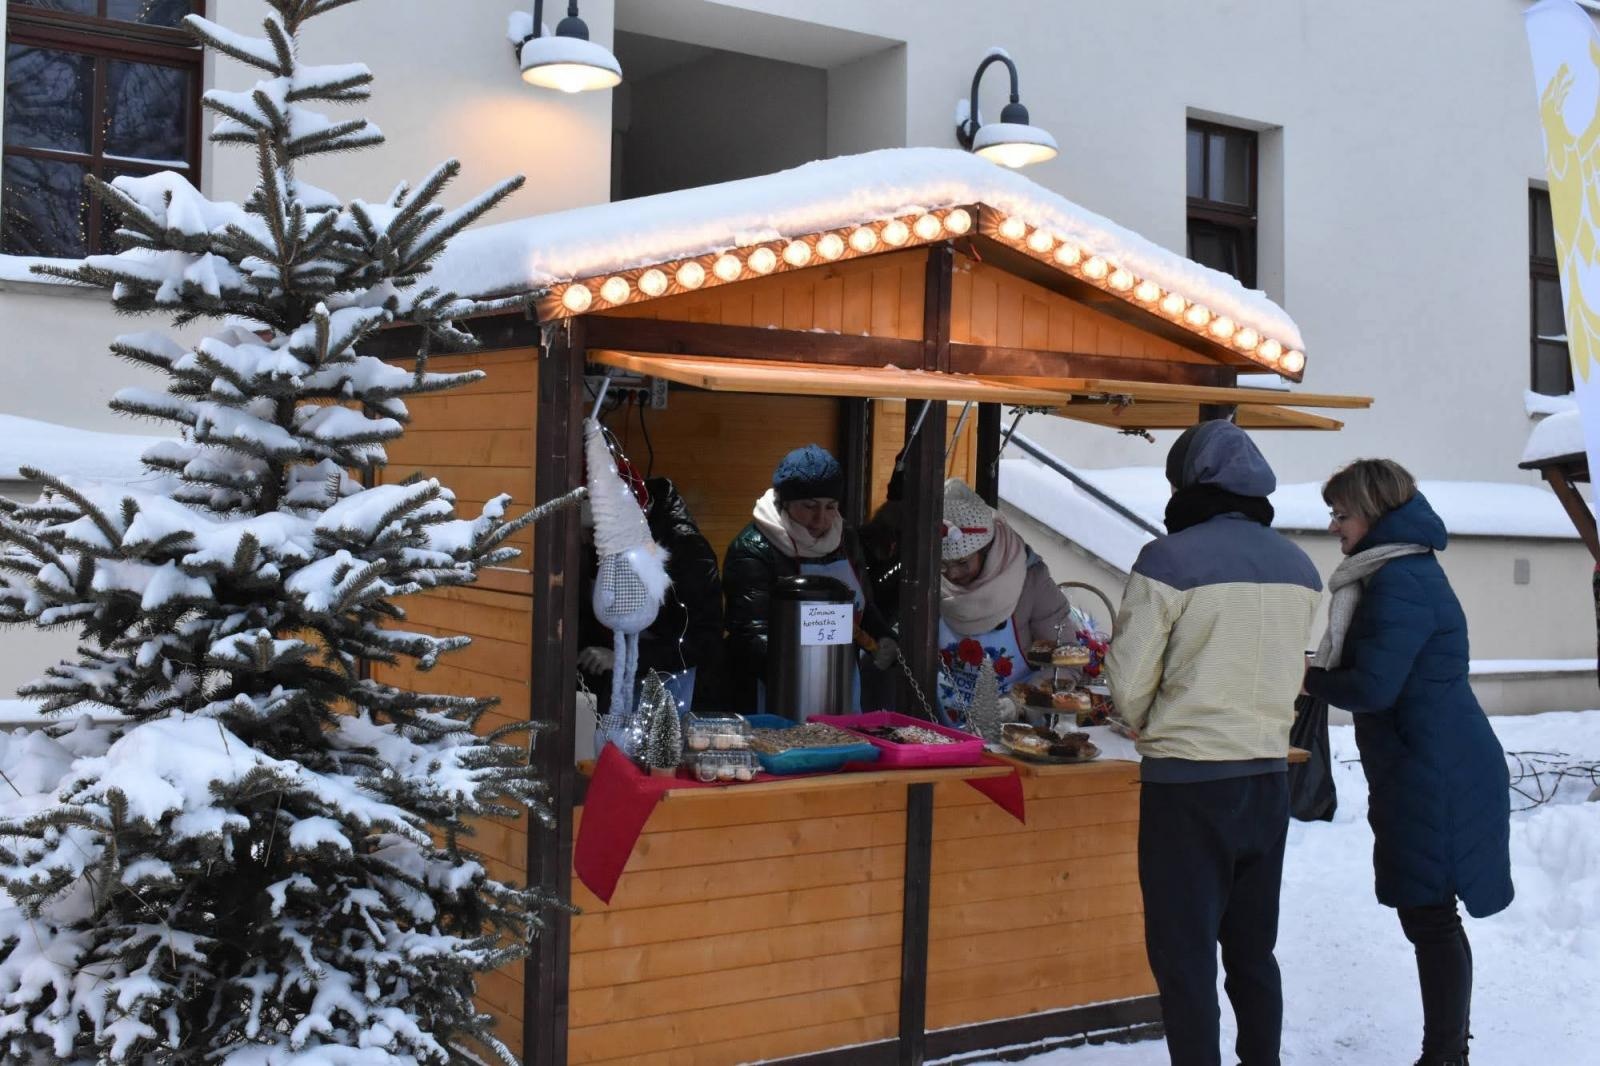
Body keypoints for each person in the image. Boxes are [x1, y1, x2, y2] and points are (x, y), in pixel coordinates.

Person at [1105, 420, 1322, 1066]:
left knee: (1185, 957)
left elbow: (1126, 682)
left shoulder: (1169, 560)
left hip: (1187, 789)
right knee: (1253, 953)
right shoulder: (1302, 568)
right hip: (1264, 781)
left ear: (1187, 485)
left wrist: (1143, 719)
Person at [1303, 459, 1512, 1066]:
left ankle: (1445, 1056)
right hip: (1427, 760)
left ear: (1373, 512)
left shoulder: (1400, 580)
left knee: (1432, 916)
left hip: (1437, 768)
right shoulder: (1399, 571)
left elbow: (1373, 685)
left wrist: (1307, 677)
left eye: (1342, 515)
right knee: (1431, 914)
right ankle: (1447, 1052)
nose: (1335, 527)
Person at [723, 444, 896, 711]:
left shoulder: (845, 538)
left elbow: (863, 605)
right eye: (809, 506)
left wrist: (883, 637)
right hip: (779, 689)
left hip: (842, 684)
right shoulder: (754, 548)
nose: (821, 519)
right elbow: (750, 635)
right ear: (785, 501)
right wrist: (807, 671)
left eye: (831, 507)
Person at [579, 464, 724, 715]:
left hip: (672, 693)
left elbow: (703, 640)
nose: (588, 540)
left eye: (594, 532)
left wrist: (623, 658)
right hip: (610, 689)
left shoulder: (685, 549)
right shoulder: (599, 549)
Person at [937, 478, 1071, 722]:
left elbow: (1065, 664)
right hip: (942, 726)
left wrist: (1019, 702)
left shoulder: (1032, 583)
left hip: (1012, 731)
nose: (953, 575)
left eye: (962, 563)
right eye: (943, 565)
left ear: (988, 552)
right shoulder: (929, 583)